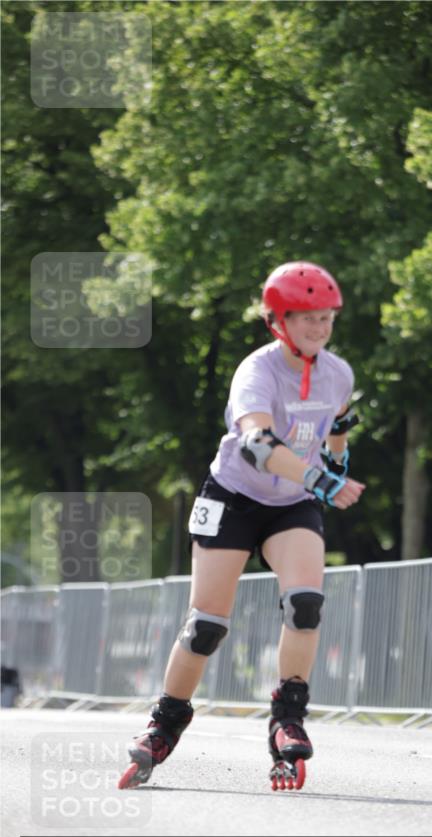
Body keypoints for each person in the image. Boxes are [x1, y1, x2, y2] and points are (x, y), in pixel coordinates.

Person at [119, 261, 364, 791]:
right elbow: (257, 446)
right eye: (307, 320)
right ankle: (165, 724)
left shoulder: (338, 371)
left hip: (291, 504)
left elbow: (340, 420)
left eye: (326, 319)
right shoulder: (257, 371)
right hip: (233, 496)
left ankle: (287, 718)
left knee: (305, 604)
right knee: (206, 625)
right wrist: (322, 480)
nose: (319, 330)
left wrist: (338, 461)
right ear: (278, 320)